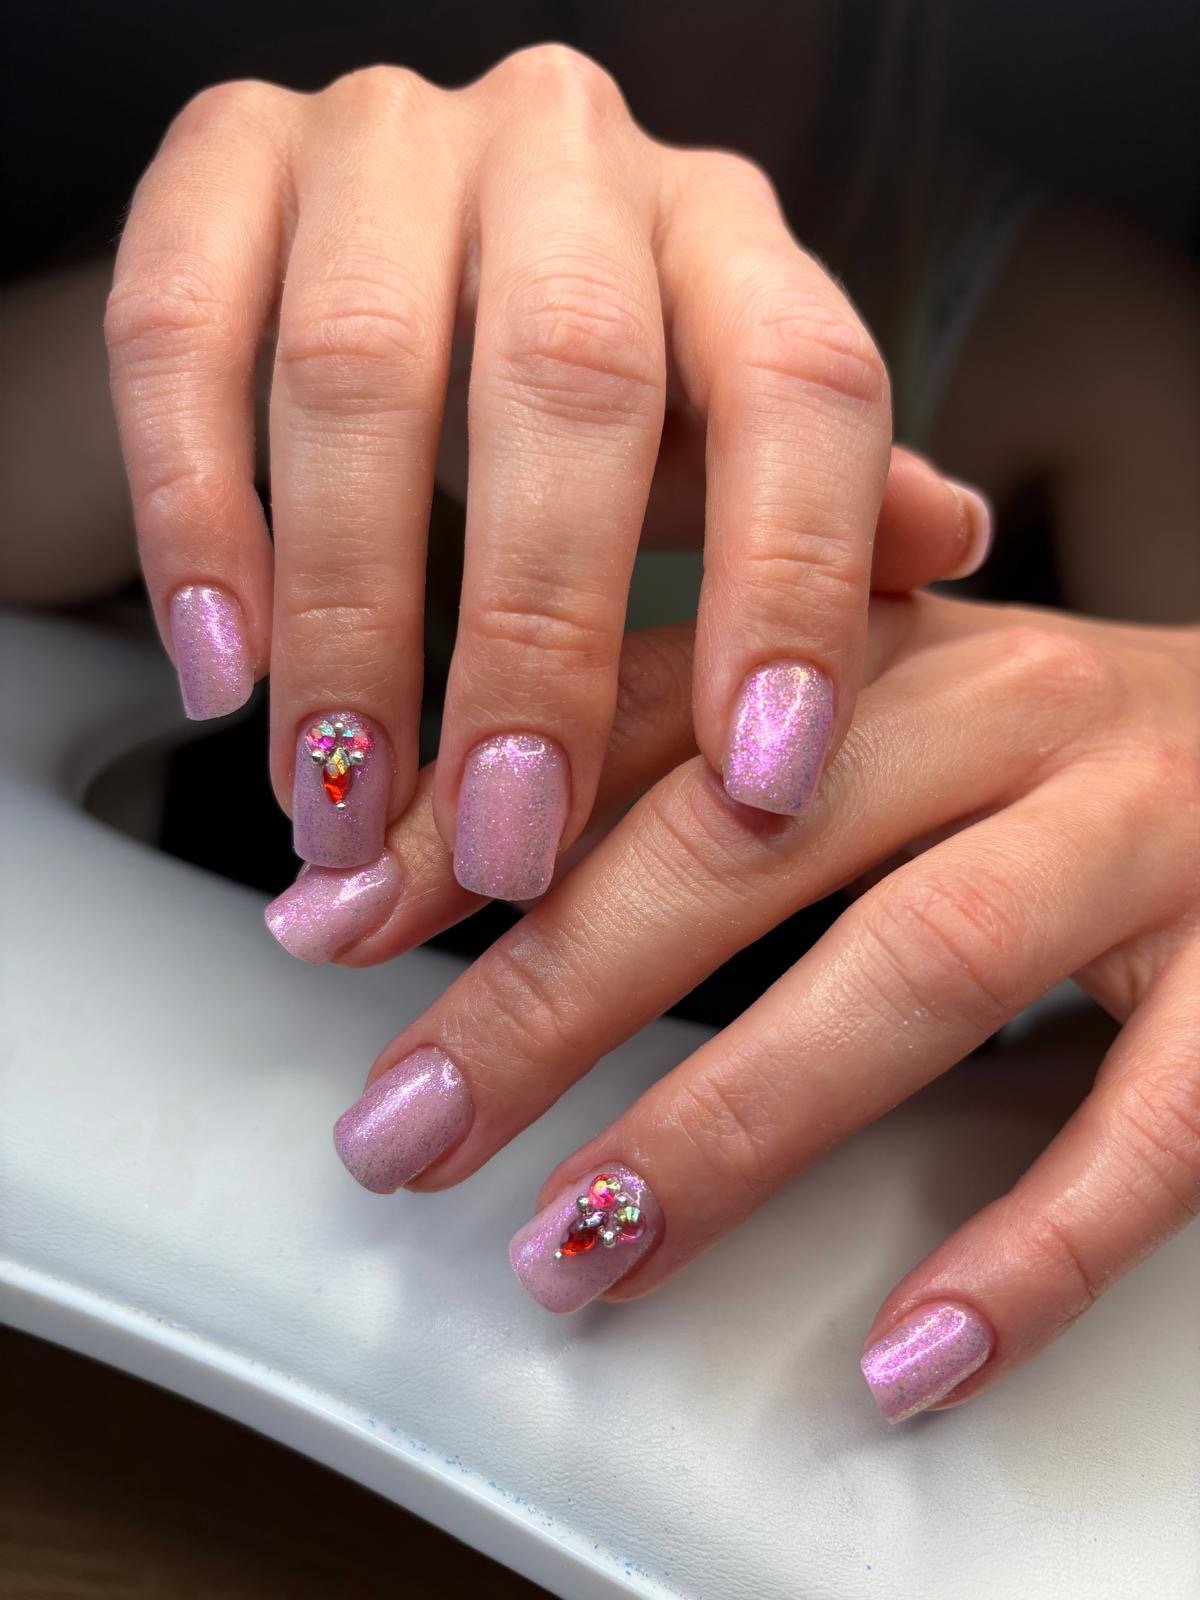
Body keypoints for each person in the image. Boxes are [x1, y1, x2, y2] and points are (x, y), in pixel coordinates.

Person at [2, 18, 1197, 1422]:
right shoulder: (334, 164)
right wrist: (240, 345)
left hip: (730, 1347)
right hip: (188, 1196)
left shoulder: (1082, 323)